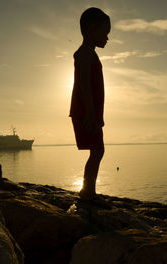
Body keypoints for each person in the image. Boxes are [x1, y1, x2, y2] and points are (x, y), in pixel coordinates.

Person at [69, 7, 110, 200]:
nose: (107, 38)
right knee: (98, 150)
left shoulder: (89, 53)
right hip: (86, 111)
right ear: (93, 29)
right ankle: (88, 192)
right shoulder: (85, 53)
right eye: (106, 32)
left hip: (89, 111)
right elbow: (84, 85)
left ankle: (88, 191)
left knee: (97, 150)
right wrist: (91, 114)